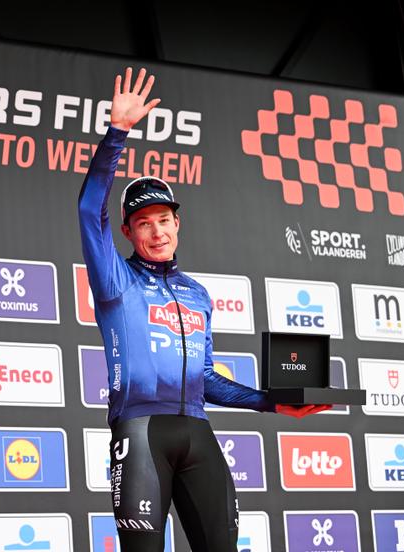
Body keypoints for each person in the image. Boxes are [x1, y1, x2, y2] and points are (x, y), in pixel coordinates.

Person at [78, 67, 330, 552]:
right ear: (128, 232)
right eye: (144, 223)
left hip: (198, 433)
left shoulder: (196, 294)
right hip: (140, 433)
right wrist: (117, 134)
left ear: (178, 225)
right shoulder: (115, 280)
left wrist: (272, 402)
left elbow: (206, 379)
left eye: (165, 220)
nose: (157, 232)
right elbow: (91, 211)